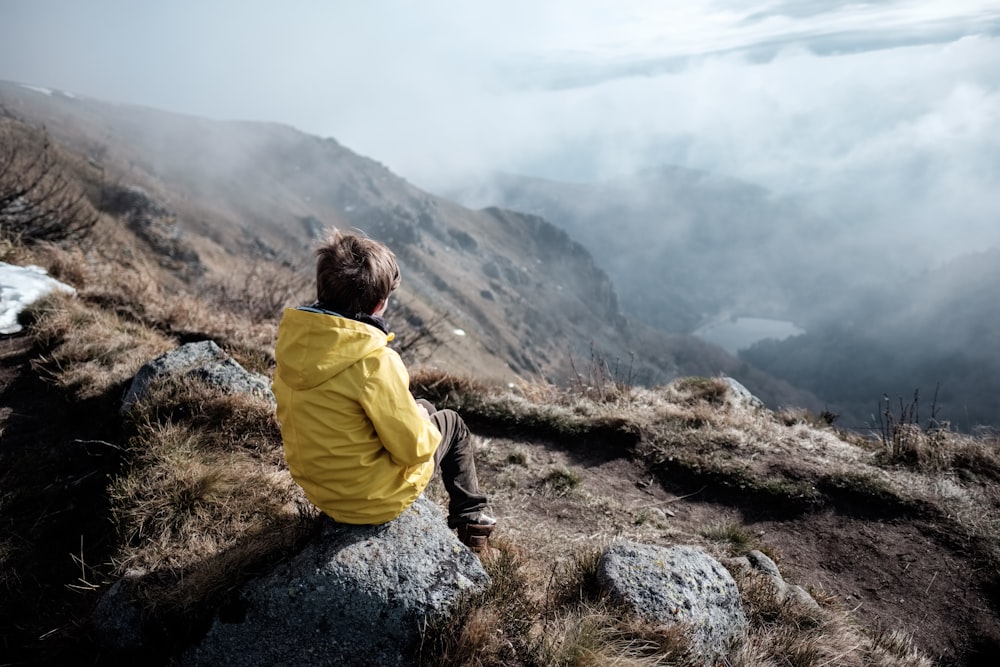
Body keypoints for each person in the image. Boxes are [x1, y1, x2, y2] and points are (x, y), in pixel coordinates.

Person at [272, 229, 495, 550]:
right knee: (451, 424)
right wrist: (419, 419)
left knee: (422, 408)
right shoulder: (374, 362)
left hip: (321, 490)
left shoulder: (295, 345)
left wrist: (417, 413)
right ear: (380, 305)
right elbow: (413, 450)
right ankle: (473, 525)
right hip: (370, 500)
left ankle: (466, 517)